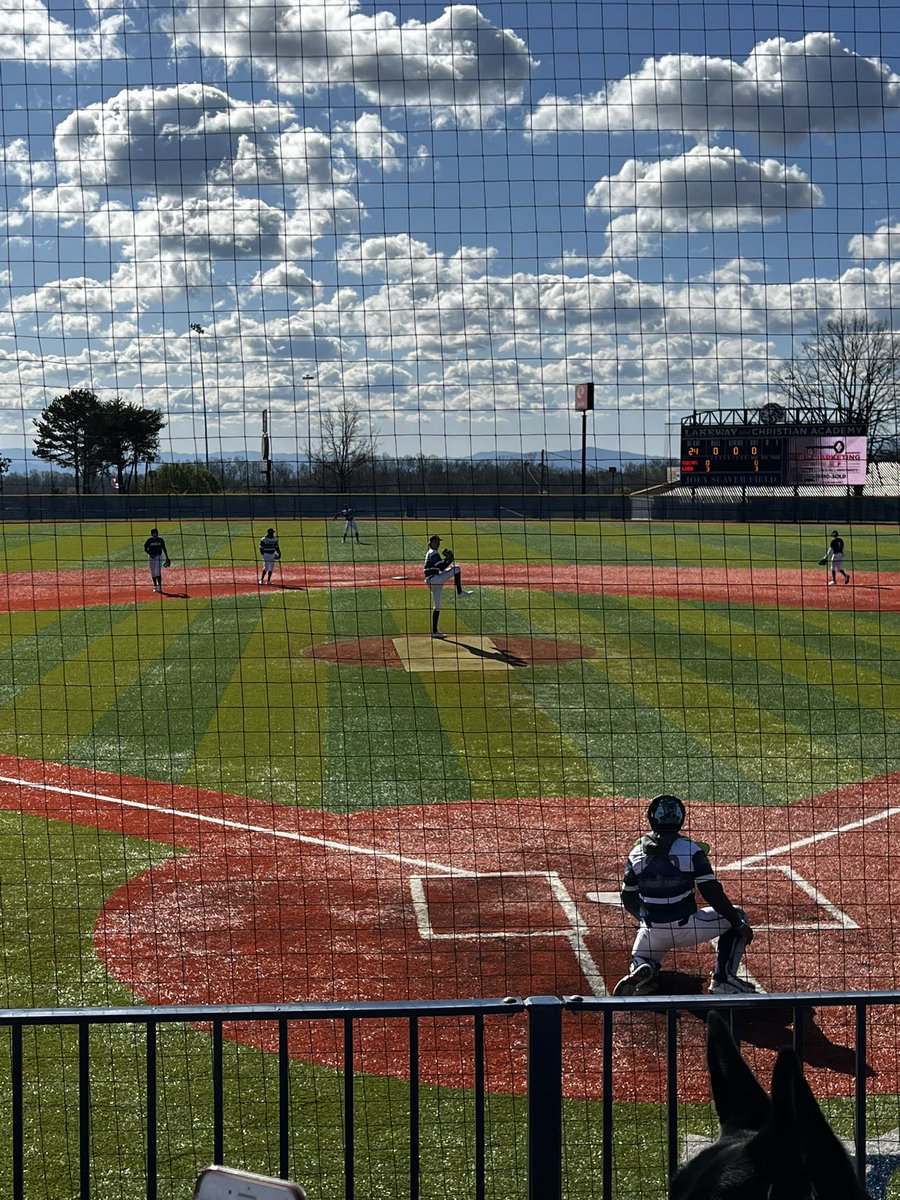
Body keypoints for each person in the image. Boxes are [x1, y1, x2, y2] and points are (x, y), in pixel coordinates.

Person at [595, 793, 755, 996]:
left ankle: (643, 968)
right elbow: (712, 893)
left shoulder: (635, 854)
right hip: (687, 928)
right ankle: (724, 980)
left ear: (652, 818)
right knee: (738, 915)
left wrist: (644, 920)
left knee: (643, 957)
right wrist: (738, 924)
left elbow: (628, 898)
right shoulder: (691, 850)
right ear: (681, 818)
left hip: (652, 931)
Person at [423, 534, 473, 638]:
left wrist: (448, 559)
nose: (438, 543)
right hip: (435, 580)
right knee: (457, 569)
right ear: (430, 544)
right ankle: (459, 592)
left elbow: (441, 567)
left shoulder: (430, 553)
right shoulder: (433, 552)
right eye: (435, 542)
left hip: (432, 581)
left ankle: (434, 631)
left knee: (437, 606)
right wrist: (449, 559)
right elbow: (442, 566)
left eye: (438, 542)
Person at [142, 528, 171, 594]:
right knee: (153, 572)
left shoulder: (160, 540)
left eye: (156, 532)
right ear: (152, 534)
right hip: (151, 557)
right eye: (154, 533)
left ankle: (159, 586)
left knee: (157, 571)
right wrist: (150, 554)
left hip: (159, 557)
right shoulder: (149, 540)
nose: (156, 534)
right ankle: (155, 586)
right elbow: (145, 548)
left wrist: (167, 557)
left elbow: (164, 548)